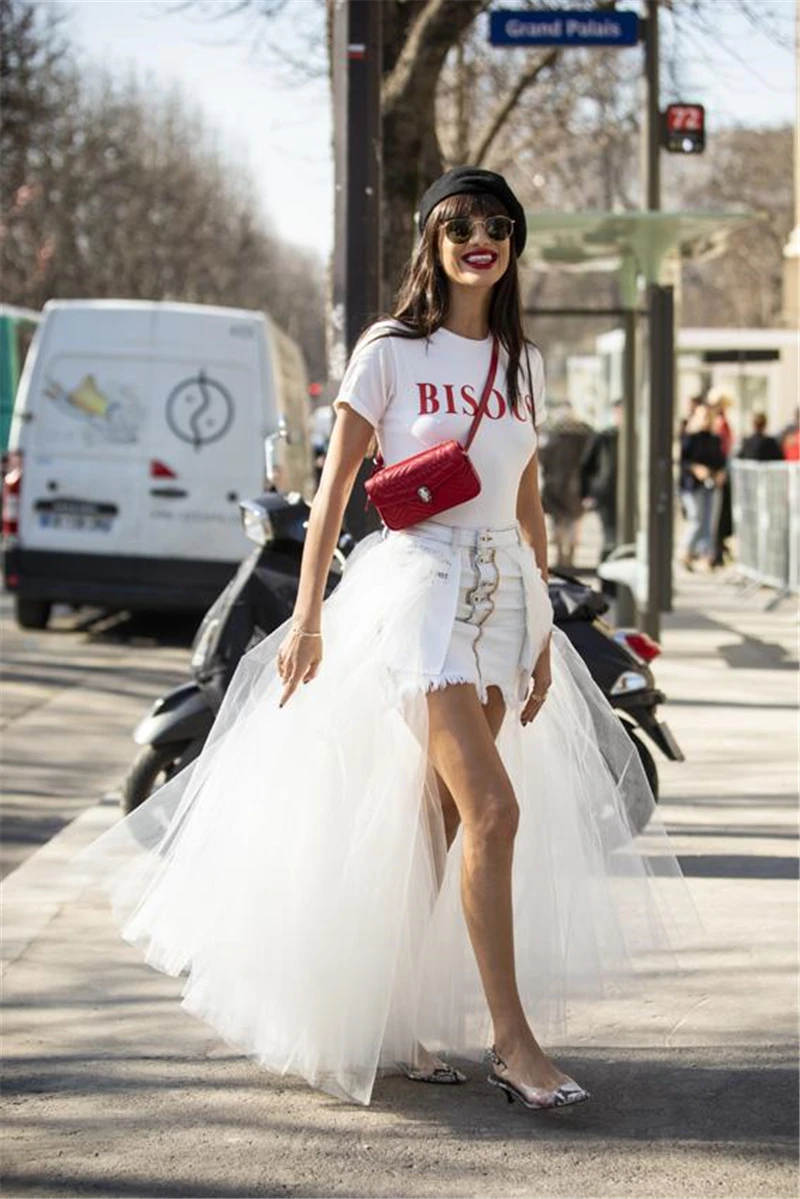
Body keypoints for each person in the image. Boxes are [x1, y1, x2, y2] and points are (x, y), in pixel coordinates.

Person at [74, 167, 692, 1109]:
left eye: (498, 226)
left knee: (441, 821)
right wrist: (308, 617)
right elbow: (333, 492)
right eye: (461, 225)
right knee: (496, 810)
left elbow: (525, 501)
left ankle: (392, 1019)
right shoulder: (391, 351)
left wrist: (538, 628)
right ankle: (513, 1041)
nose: (480, 239)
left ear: (514, 245)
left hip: (503, 601)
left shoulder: (522, 363)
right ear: (432, 240)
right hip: (419, 597)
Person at [679, 403, 726, 570]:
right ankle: (685, 551)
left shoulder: (714, 439)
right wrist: (695, 469)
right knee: (696, 519)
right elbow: (683, 462)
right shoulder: (690, 438)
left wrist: (720, 473)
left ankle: (706, 556)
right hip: (692, 486)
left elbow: (721, 461)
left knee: (710, 522)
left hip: (711, 485)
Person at [579, 400, 620, 562]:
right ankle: (607, 568)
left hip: (627, 494)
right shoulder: (604, 437)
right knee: (610, 534)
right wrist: (585, 493)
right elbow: (586, 465)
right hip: (606, 493)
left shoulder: (635, 437)